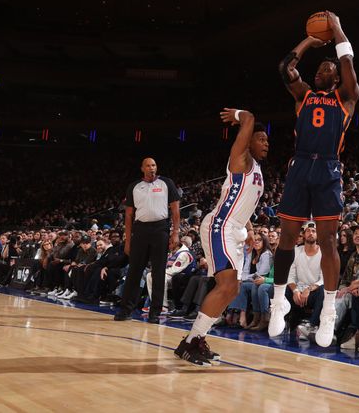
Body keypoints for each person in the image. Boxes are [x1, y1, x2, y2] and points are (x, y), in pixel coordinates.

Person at [270, 11, 359, 348]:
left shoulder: (346, 98)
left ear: (337, 79)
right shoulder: (303, 96)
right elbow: (285, 69)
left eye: (330, 69)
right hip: (299, 168)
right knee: (287, 238)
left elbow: (348, 62)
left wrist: (336, 28)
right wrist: (310, 39)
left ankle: (328, 311)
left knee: (328, 241)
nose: (325, 69)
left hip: (327, 170)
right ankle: (278, 300)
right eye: (321, 68)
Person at [174, 108, 269, 366]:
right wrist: (240, 115)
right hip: (220, 226)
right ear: (248, 140)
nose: (266, 143)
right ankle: (190, 342)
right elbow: (249, 118)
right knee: (226, 285)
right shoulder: (241, 159)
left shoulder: (257, 169)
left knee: (233, 289)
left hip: (235, 228)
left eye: (267, 141)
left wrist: (249, 230)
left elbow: (243, 203)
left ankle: (196, 339)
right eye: (261, 139)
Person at [114, 158, 182, 322]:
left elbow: (175, 210)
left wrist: (175, 233)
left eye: (154, 165)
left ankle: (155, 312)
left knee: (158, 272)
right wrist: (128, 240)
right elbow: (129, 215)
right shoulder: (134, 186)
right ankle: (126, 310)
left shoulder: (166, 183)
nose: (152, 168)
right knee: (134, 271)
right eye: (148, 166)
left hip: (160, 229)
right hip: (140, 230)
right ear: (142, 168)